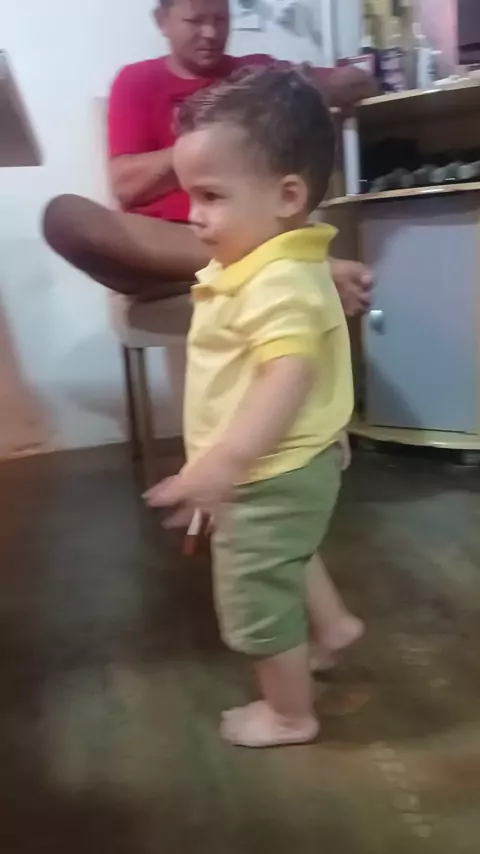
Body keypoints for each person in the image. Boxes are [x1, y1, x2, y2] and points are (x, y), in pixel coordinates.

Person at [146, 67, 359, 747]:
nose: (194, 215)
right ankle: (333, 627)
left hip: (268, 470)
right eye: (190, 196)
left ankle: (289, 714)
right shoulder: (275, 260)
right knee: (289, 550)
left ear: (288, 196)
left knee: (257, 587)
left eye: (210, 196)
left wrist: (225, 464)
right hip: (295, 460)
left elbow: (288, 373)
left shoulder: (276, 282)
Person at [42, 0, 373, 313]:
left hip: (247, 228)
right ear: (162, 21)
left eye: (220, 19)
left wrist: (306, 91)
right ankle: (290, 263)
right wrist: (210, 144)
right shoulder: (137, 81)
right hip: (163, 245)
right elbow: (126, 185)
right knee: (64, 217)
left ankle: (279, 262)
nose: (211, 33)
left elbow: (361, 81)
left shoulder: (255, 75)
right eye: (195, 20)